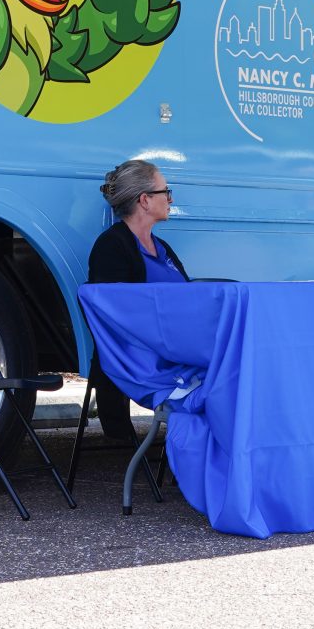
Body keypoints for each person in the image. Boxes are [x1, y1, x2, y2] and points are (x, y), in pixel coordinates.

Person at [85, 157, 190, 441]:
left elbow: (189, 296)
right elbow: (114, 319)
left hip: (177, 348)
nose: (170, 199)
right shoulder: (112, 246)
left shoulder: (161, 247)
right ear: (145, 200)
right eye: (165, 191)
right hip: (146, 357)